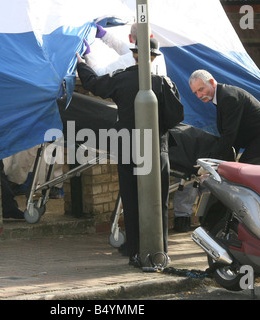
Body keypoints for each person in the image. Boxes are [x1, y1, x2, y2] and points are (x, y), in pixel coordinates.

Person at [76, 38, 184, 267]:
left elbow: (94, 84)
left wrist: (80, 63)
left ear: (134, 55)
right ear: (154, 58)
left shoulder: (122, 78)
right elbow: (177, 117)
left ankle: (135, 251)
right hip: (156, 149)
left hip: (127, 148)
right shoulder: (163, 83)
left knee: (131, 199)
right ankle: (160, 251)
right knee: (160, 202)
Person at [189, 69, 260, 168]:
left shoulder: (228, 97)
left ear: (212, 82)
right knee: (244, 177)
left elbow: (229, 134)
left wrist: (211, 162)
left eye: (201, 89)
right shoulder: (222, 96)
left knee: (244, 178)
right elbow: (233, 135)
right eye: (195, 93)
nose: (199, 95)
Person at [84, 23, 167, 77]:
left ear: (130, 38)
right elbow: (125, 48)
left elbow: (100, 74)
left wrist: (88, 54)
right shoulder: (159, 56)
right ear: (151, 37)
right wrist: (105, 35)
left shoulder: (129, 59)